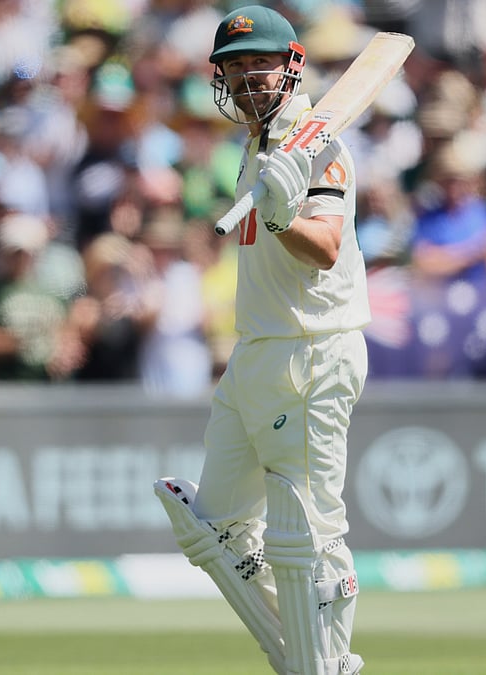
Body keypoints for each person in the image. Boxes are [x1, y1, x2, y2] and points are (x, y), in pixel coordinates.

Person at [154, 7, 368, 674]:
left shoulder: (318, 142)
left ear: (292, 65)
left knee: (306, 530)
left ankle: (318, 660)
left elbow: (325, 248)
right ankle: (307, 655)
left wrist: (280, 216)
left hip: (312, 349)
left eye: (259, 64)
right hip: (256, 351)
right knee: (212, 524)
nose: (248, 78)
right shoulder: (259, 145)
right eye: (236, 67)